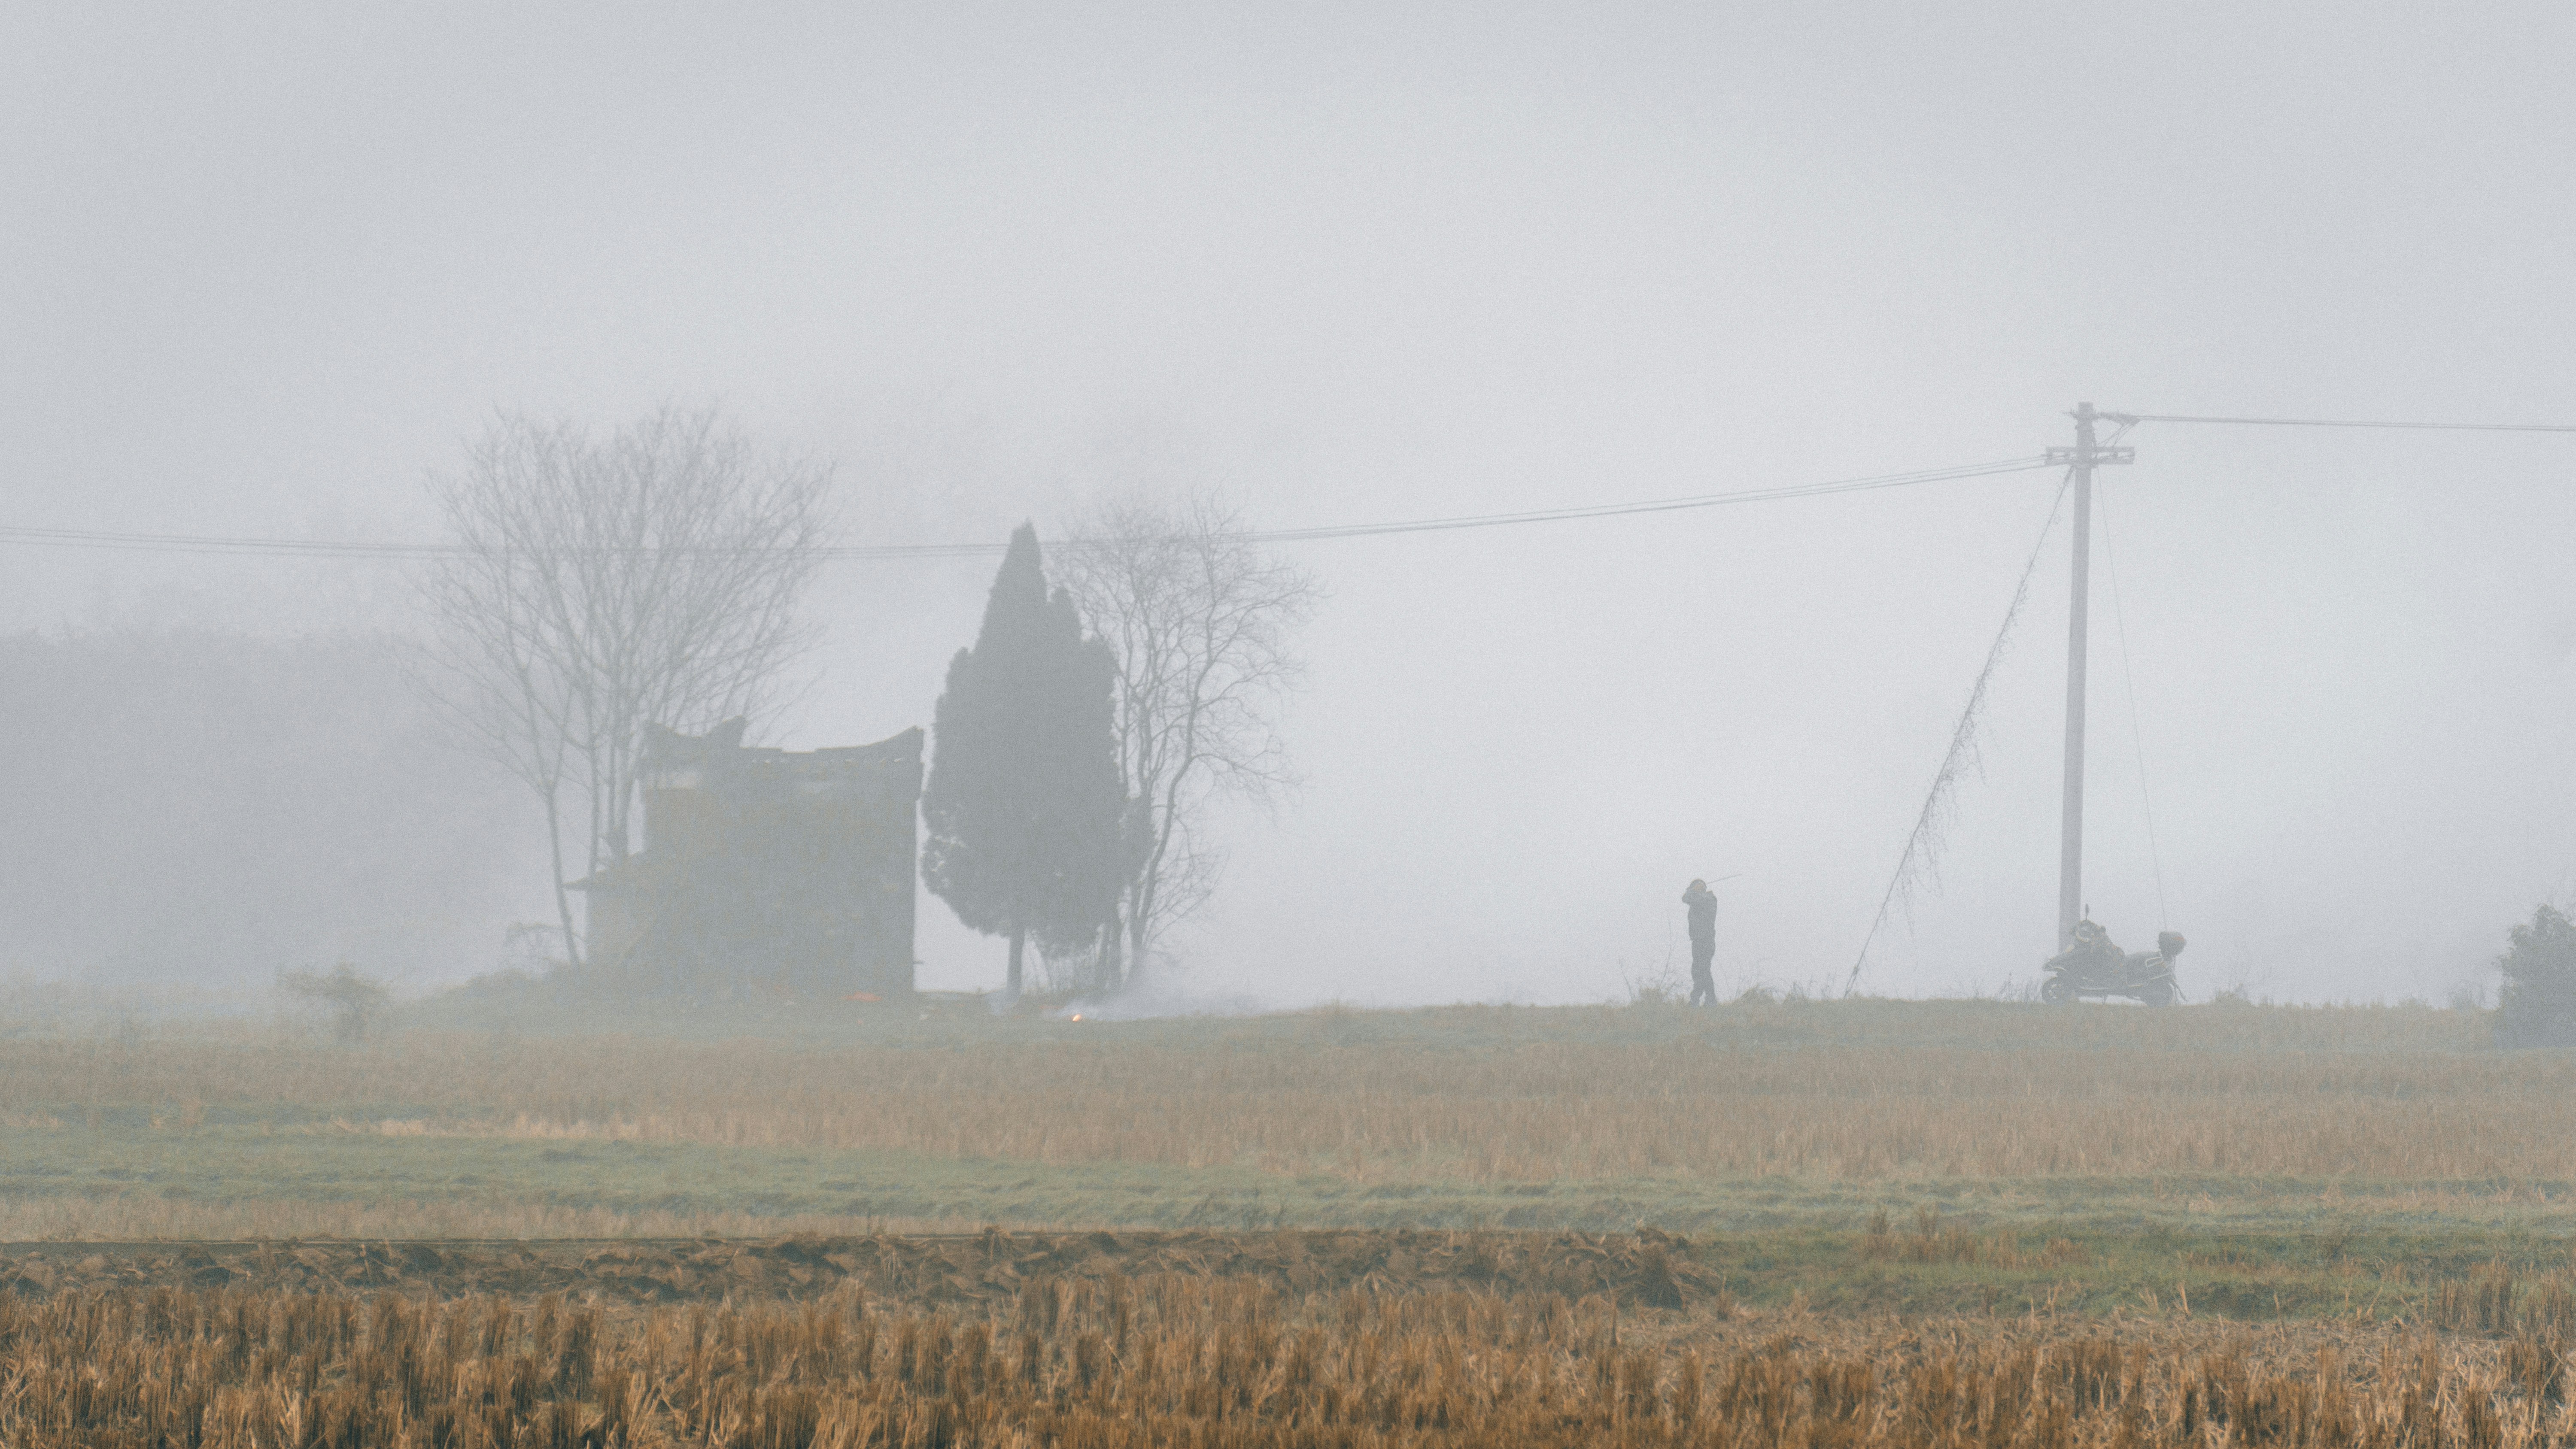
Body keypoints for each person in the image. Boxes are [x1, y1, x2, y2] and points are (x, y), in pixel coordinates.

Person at [1682, 878, 1719, 1006]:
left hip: (1706, 941)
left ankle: (1697, 1000)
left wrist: (1692, 891)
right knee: (1699, 971)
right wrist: (1692, 890)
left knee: (1703, 971)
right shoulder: (1700, 899)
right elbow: (1686, 898)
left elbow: (1688, 898)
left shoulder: (1709, 900)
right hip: (1698, 941)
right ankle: (1710, 1000)